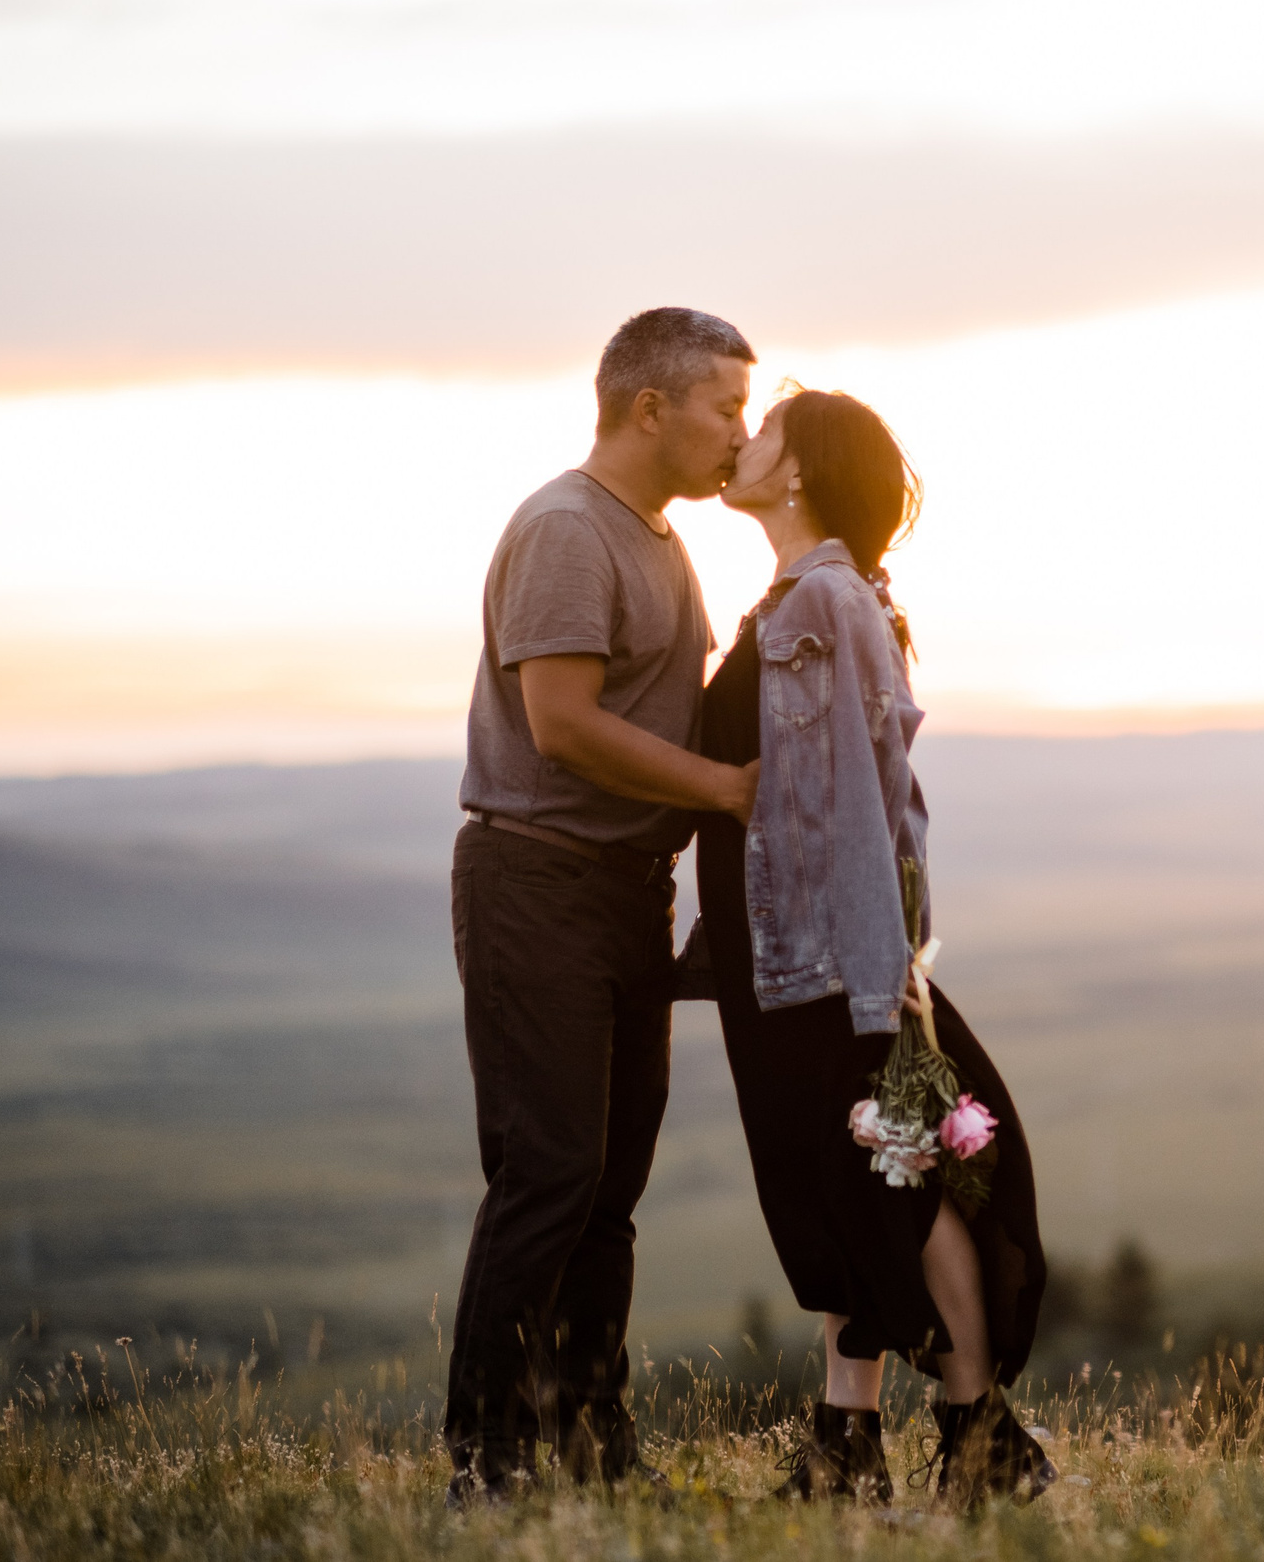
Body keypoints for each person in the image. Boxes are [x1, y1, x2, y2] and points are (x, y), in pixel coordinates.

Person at [682, 386, 1051, 1506]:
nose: (741, 443)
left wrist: (873, 976)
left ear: (798, 474)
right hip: (807, 951)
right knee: (859, 1183)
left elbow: (860, 803)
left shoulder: (825, 605)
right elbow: (895, 802)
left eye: (765, 432)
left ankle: (978, 1442)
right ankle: (853, 1451)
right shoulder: (811, 599)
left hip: (823, 960)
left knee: (903, 1177)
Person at [446, 307, 761, 1501]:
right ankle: (488, 1459)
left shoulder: (660, 538)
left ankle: (593, 1447)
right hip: (539, 883)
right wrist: (729, 790)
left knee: (608, 1193)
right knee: (548, 1177)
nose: (740, 432)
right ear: (650, 408)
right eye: (726, 407)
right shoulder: (570, 528)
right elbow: (562, 725)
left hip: (628, 895)